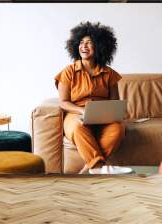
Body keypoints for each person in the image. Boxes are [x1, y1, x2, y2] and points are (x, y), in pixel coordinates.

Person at [55, 21, 124, 174]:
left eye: (89, 43)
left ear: (99, 46)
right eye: (81, 43)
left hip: (102, 117)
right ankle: (97, 166)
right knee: (78, 127)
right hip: (75, 115)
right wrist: (82, 111)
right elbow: (64, 102)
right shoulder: (68, 71)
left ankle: (88, 167)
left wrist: (106, 113)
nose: (84, 46)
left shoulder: (110, 74)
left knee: (118, 129)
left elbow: (115, 103)